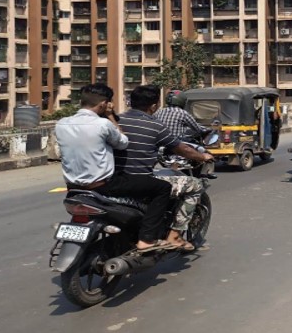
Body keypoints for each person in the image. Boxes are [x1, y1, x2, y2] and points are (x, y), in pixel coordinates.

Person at [55, 83, 174, 253]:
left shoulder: (62, 124)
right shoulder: (103, 125)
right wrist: (110, 116)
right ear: (104, 104)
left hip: (73, 188)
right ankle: (147, 240)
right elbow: (123, 142)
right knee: (163, 188)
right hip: (104, 185)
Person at [115, 85, 214, 252]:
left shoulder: (116, 121)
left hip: (115, 178)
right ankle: (174, 235)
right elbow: (183, 147)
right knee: (195, 185)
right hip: (157, 164)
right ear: (153, 106)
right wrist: (202, 156)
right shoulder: (156, 124)